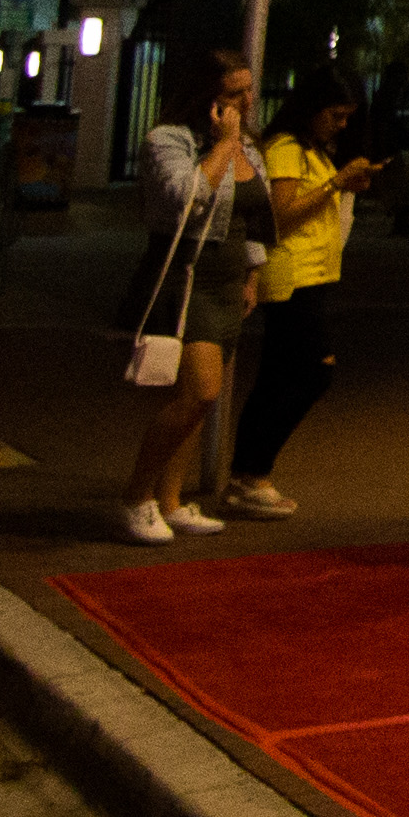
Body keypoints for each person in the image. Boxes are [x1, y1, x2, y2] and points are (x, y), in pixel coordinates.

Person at [208, 72, 369, 516]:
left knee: (278, 376)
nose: (341, 125)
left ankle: (249, 474)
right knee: (313, 371)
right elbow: (280, 213)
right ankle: (250, 472)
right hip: (292, 273)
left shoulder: (313, 151)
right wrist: (335, 185)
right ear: (312, 109)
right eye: (335, 116)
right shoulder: (286, 148)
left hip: (314, 272)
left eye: (347, 118)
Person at [121, 47, 260, 546]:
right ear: (207, 98)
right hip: (188, 277)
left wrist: (253, 274)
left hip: (228, 281)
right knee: (199, 390)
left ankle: (172, 500)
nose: (246, 102)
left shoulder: (249, 145)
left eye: (248, 90)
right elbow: (185, 197)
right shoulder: (168, 140)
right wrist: (224, 146)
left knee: (200, 401)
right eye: (233, 93)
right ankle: (137, 497)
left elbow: (254, 213)